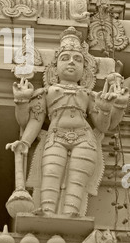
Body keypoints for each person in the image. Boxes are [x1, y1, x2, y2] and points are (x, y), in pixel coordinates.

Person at [7, 27, 129, 217]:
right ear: (54, 68)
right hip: (55, 137)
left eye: (77, 59)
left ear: (84, 70)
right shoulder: (46, 93)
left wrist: (107, 107)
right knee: (51, 173)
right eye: (65, 58)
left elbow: (104, 126)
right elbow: (33, 121)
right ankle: (47, 211)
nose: (71, 62)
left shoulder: (88, 94)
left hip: (85, 139)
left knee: (77, 178)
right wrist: (22, 107)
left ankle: (72, 213)